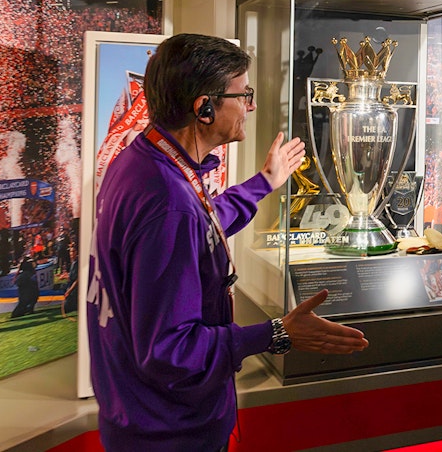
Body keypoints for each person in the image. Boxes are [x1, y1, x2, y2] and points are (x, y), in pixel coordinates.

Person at [86, 33, 368, 451]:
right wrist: (276, 333)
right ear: (204, 107)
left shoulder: (142, 164)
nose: (250, 106)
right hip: (169, 433)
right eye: (244, 94)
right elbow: (170, 351)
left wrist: (264, 183)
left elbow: (200, 225)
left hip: (140, 418)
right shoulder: (168, 202)